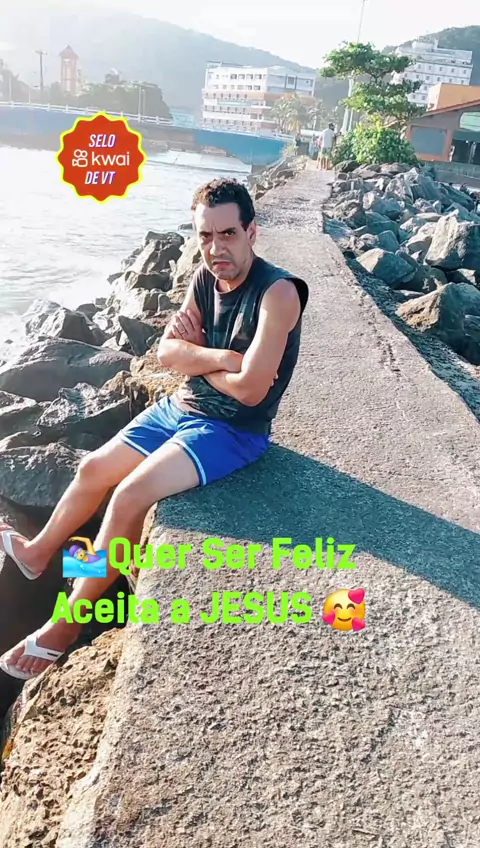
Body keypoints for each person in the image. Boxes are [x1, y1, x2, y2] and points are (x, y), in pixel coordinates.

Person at [0, 178, 309, 680]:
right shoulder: (206, 277)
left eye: (228, 234)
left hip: (231, 430)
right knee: (93, 469)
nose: (216, 248)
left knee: (128, 497)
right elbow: (168, 353)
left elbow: (252, 392)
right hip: (181, 405)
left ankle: (64, 626)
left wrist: (197, 358)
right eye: (205, 236)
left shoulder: (279, 294)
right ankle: (37, 554)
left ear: (251, 232)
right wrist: (222, 359)